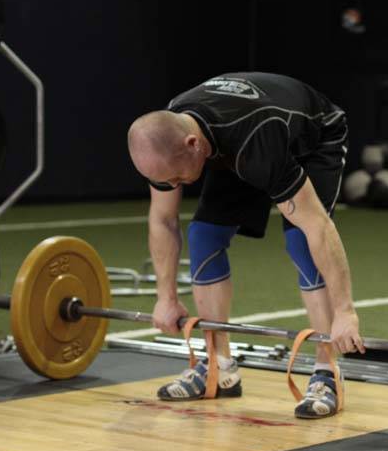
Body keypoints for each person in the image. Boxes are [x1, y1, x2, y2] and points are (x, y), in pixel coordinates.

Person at [127, 72, 363, 419]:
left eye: (177, 178)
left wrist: (345, 311)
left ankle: (327, 372)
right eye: (167, 181)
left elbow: (318, 226)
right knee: (204, 236)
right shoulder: (166, 136)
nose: (174, 185)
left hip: (312, 136)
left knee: (300, 240)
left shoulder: (257, 138)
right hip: (232, 141)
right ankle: (219, 367)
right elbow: (163, 220)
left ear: (193, 145)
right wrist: (166, 298)